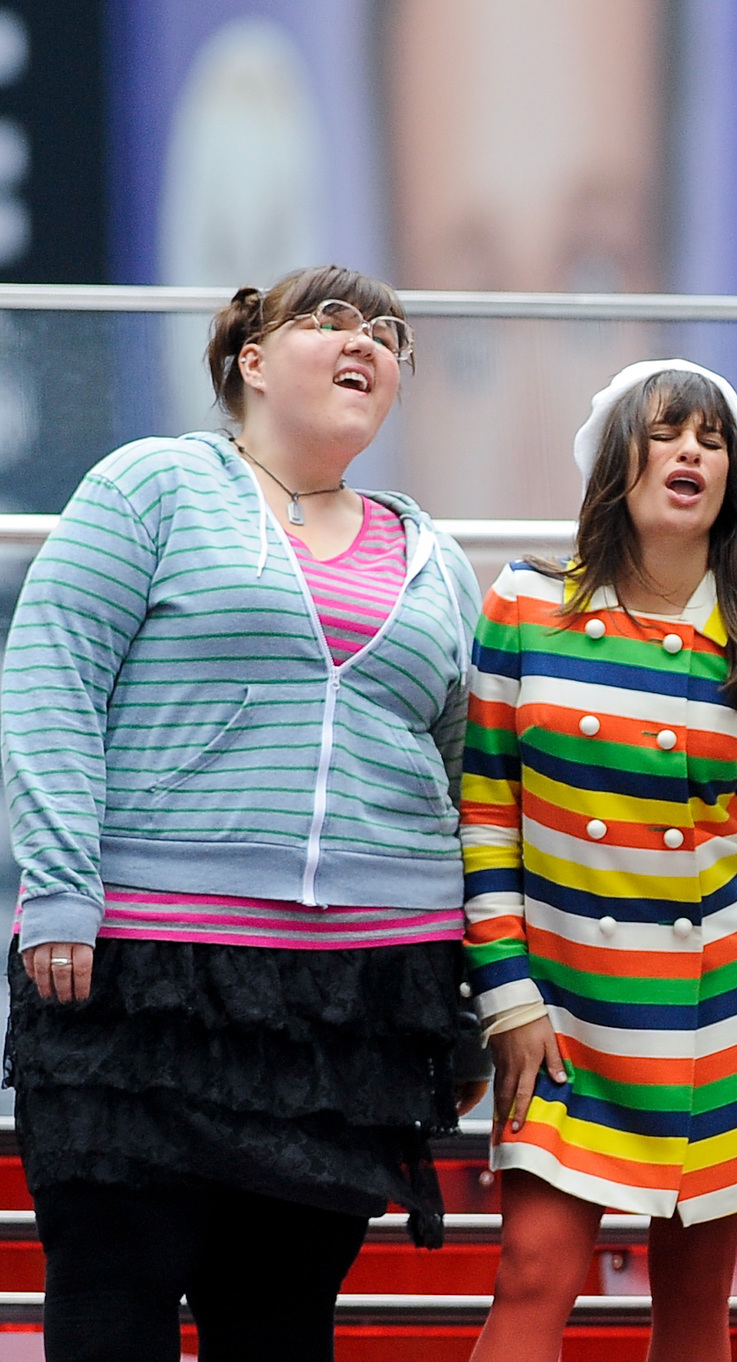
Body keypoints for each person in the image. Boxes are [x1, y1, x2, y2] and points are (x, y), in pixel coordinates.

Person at [1, 266, 484, 1362]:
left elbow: (468, 788)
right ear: (251, 361)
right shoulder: (152, 487)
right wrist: (65, 886)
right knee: (110, 1305)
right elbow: (51, 675)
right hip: (146, 974)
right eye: (329, 320)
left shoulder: (435, 561)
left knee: (280, 1323)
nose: (366, 341)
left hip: (355, 1000)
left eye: (388, 333)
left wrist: (458, 1001)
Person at [462, 360, 737, 1362]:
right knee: (531, 1272)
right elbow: (487, 813)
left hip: (717, 1007)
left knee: (695, 1307)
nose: (690, 454)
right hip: (562, 1009)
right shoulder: (525, 608)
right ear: (614, 464)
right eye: (667, 433)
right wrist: (508, 999)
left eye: (711, 442)